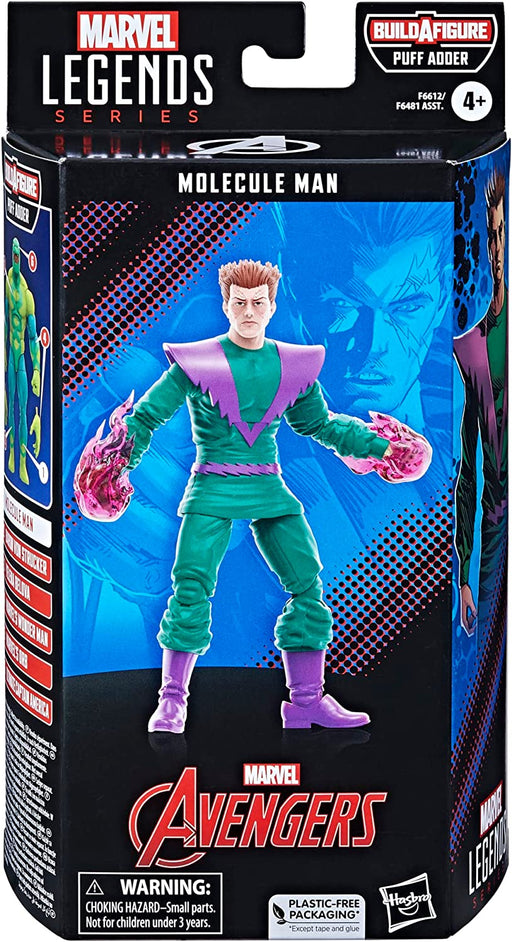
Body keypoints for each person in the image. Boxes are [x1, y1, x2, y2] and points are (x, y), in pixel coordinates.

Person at [75, 260, 430, 733]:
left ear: (271, 306)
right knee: (191, 589)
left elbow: (321, 426)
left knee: (306, 584)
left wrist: (381, 447)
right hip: (212, 487)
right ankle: (172, 701)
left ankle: (306, 701)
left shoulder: (292, 365)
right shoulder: (196, 363)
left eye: (257, 303)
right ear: (226, 305)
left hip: (267, 486)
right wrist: (114, 460)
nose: (248, 312)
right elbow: (146, 418)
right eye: (239, 303)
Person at [454, 170, 507, 637]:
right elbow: (469, 473)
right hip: (494, 536)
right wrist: (465, 578)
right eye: (490, 237)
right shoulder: (468, 343)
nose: (498, 249)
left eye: (502, 232)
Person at [5, 237, 40, 484]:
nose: (16, 260)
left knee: (23, 413)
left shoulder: (27, 297)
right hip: (10, 357)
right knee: (10, 410)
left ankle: (23, 464)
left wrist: (36, 369)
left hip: (21, 361)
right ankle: (10, 458)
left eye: (18, 256)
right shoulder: (7, 283)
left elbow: (33, 337)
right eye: (13, 255)